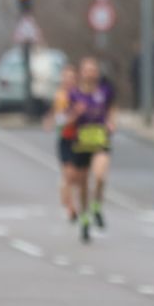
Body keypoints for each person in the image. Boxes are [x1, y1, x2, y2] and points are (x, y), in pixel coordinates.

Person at [66, 57, 117, 245]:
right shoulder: (74, 94)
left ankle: (96, 206)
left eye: (93, 70)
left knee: (100, 175)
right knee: (83, 184)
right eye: (87, 70)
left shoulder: (105, 91)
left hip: (100, 139)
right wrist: (76, 113)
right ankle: (85, 216)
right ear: (81, 73)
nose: (90, 73)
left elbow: (111, 109)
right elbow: (67, 120)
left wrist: (111, 123)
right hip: (81, 141)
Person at [45, 64, 80, 224]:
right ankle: (71, 208)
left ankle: (69, 194)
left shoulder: (81, 95)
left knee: (77, 176)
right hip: (65, 138)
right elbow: (55, 114)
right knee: (69, 173)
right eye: (65, 77)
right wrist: (50, 121)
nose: (68, 80)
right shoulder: (59, 96)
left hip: (80, 138)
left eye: (71, 77)